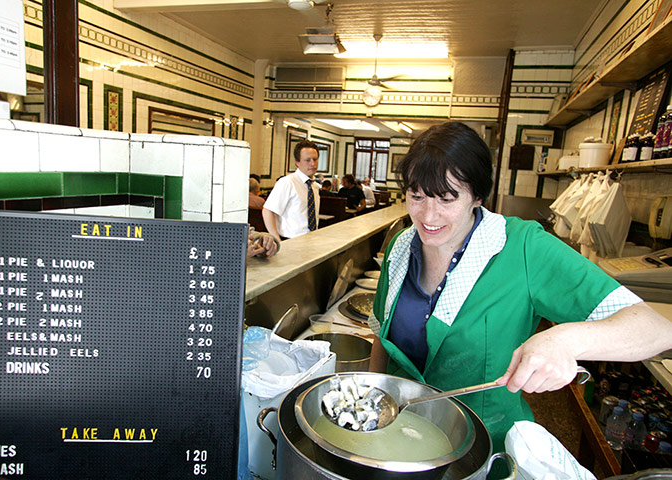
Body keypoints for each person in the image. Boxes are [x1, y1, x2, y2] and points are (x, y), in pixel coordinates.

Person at [368, 121, 672, 453]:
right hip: (398, 434)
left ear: (477, 196)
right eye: (417, 196)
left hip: (482, 448)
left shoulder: (522, 247)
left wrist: (565, 340)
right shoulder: (401, 247)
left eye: (447, 198)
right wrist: (372, 400)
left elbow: (654, 328)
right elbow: (381, 337)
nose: (428, 214)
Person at [262, 139, 320, 242]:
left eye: (315, 159)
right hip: (290, 240)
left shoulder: (314, 186)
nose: (312, 164)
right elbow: (267, 211)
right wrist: (277, 240)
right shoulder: (287, 182)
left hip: (311, 240)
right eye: (307, 160)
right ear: (297, 162)